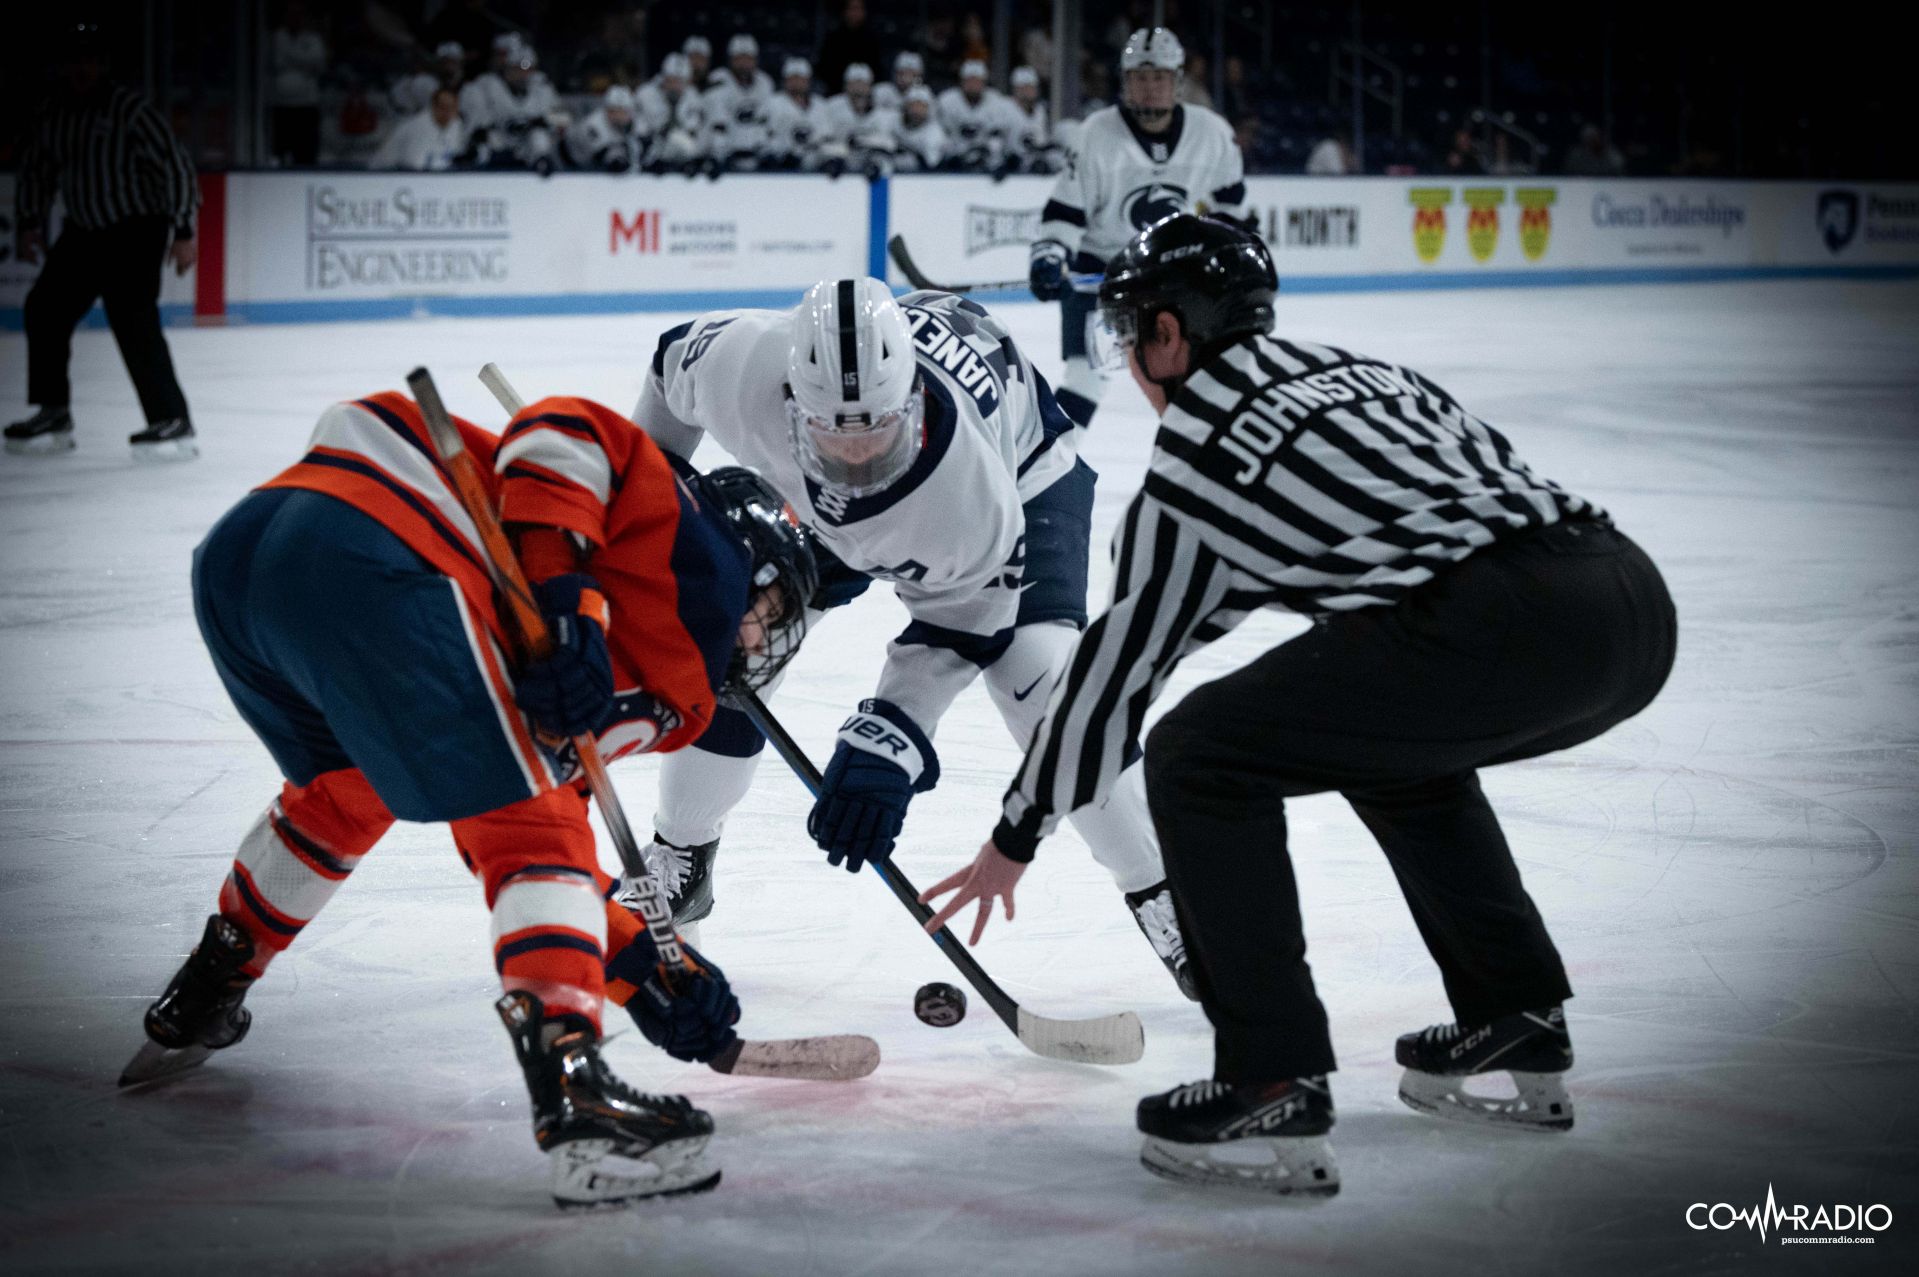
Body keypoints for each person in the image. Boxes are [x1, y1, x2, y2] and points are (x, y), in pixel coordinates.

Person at [925, 214, 1677, 1195]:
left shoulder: (1192, 453)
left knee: (1196, 752)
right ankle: (1514, 1013)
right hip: (1626, 598)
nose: (1132, 363)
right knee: (1390, 742)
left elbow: (1114, 676)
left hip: (1491, 623)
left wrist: (1014, 833)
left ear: (1168, 334)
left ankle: (1268, 1072)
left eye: (1130, 334)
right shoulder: (1363, 368)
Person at [132, 387, 816, 1207]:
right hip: (382, 543)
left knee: (347, 793)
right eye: (769, 606)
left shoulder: (639, 676)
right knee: (536, 829)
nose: (758, 636)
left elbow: (494, 818)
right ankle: (578, 1101)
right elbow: (561, 428)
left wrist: (641, 971)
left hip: (250, 569)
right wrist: (568, 609)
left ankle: (212, 981)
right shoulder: (696, 544)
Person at [618, 279, 1198, 997]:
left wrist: (887, 738)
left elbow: (962, 622)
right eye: (835, 432)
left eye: (876, 432)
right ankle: (683, 857)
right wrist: (649, 497)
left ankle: (1167, 890)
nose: (857, 457)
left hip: (1024, 477)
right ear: (791, 398)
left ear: (913, 397)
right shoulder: (743, 365)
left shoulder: (972, 497)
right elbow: (670, 369)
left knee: (1037, 678)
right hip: (816, 504)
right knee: (735, 642)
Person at [1028, 27, 1247, 427]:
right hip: (1103, 272)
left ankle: (1201, 467)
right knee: (1085, 379)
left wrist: (1222, 258)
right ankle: (1044, 471)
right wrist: (1050, 255)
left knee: (1195, 377)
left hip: (1171, 277)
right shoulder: (1095, 133)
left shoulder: (1213, 134)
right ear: (1125, 82)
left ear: (1178, 82)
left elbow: (1230, 212)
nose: (1150, 88)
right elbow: (1065, 211)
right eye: (1140, 78)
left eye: (1159, 77)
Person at [8, 22, 201, 461]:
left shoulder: (128, 111)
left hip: (135, 227)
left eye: (90, 60)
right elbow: (37, 169)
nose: (82, 69)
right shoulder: (53, 114)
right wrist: (29, 223)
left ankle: (171, 418)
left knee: (133, 319)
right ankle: (53, 409)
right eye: (75, 60)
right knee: (45, 308)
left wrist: (183, 229)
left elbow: (174, 167)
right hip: (84, 228)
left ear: (103, 65)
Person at [460, 41, 565, 173]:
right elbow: (477, 125)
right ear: (508, 68)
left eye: (528, 68)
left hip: (529, 147)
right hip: (501, 141)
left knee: (539, 136)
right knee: (488, 139)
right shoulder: (487, 85)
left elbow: (563, 119)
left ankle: (542, 169)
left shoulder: (543, 88)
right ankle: (478, 172)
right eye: (518, 68)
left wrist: (542, 121)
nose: (523, 74)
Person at [702, 34, 774, 172]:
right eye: (739, 58)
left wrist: (765, 150)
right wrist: (720, 154)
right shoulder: (719, 80)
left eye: (748, 58)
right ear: (731, 59)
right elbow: (717, 123)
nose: (744, 63)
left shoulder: (764, 82)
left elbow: (764, 121)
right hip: (724, 157)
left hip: (755, 156)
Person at [269, 0, 327, 165]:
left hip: (307, 105)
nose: (295, 18)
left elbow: (318, 63)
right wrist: (303, 62)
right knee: (280, 153)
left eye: (299, 14)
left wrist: (290, 57)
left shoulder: (313, 39)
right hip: (282, 105)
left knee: (306, 153)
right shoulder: (277, 37)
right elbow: (275, 62)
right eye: (291, 14)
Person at [818, 64, 898, 180]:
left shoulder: (882, 111)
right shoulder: (832, 107)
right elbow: (823, 139)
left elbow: (890, 144)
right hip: (840, 159)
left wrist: (863, 141)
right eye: (854, 83)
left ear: (870, 86)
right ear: (846, 86)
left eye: (863, 83)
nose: (858, 88)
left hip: (870, 162)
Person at [638, 52, 706, 173]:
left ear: (687, 81)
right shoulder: (645, 95)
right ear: (663, 77)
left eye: (679, 81)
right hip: (649, 154)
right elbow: (638, 131)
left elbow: (694, 130)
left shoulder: (693, 96)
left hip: (681, 156)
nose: (674, 86)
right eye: (670, 80)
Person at [371, 86, 468, 171]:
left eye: (452, 107)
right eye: (443, 106)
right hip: (384, 173)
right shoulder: (418, 126)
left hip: (421, 175)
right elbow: (414, 165)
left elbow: (455, 156)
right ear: (433, 107)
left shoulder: (456, 124)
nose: (447, 111)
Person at [936, 59, 1006, 172]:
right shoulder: (947, 100)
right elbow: (941, 135)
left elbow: (997, 137)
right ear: (961, 81)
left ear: (984, 82)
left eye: (977, 81)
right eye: (969, 80)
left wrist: (989, 157)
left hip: (986, 159)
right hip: (956, 159)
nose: (973, 85)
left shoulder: (996, 101)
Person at [761, 57, 827, 171]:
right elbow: (763, 137)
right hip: (782, 168)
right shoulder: (773, 103)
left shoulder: (821, 105)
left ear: (808, 80)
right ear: (785, 80)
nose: (797, 82)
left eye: (801, 78)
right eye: (792, 78)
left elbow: (827, 139)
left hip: (815, 171)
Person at [995, 66, 1060, 175]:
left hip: (1033, 166)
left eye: (1031, 87)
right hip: (1011, 166)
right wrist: (999, 162)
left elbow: (1041, 141)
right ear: (1015, 89)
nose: (1027, 91)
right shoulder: (1004, 107)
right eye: (1023, 87)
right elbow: (996, 141)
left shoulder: (1040, 111)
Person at [815, 0, 884, 101]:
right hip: (836, 92)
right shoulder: (833, 38)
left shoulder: (872, 39)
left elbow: (878, 69)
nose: (855, 13)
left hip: (866, 94)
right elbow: (823, 68)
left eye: (859, 9)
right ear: (845, 12)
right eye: (852, 9)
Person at [564, 85, 643, 172]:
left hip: (596, 164)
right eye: (614, 110)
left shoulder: (635, 120)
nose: (618, 115)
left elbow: (644, 142)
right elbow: (605, 155)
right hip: (572, 165)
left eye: (623, 111)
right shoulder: (593, 124)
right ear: (606, 109)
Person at [893, 86, 947, 173]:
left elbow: (931, 165)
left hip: (921, 178)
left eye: (921, 106)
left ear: (929, 108)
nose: (916, 110)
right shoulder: (895, 124)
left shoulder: (935, 133)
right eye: (913, 105)